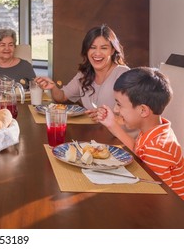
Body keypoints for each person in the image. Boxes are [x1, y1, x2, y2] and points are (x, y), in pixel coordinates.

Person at [98, 67, 183, 200]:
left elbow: (158, 196)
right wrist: (112, 124)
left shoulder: (157, 148)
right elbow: (138, 150)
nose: (116, 109)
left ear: (143, 110)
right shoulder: (155, 131)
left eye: (119, 104)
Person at [35, 24, 129, 120]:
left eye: (104, 48)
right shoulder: (84, 74)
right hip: (91, 132)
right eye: (92, 47)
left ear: (112, 50)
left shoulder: (124, 74)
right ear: (86, 50)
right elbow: (62, 97)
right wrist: (53, 87)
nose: (97, 53)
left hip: (116, 134)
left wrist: (106, 118)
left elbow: (134, 117)